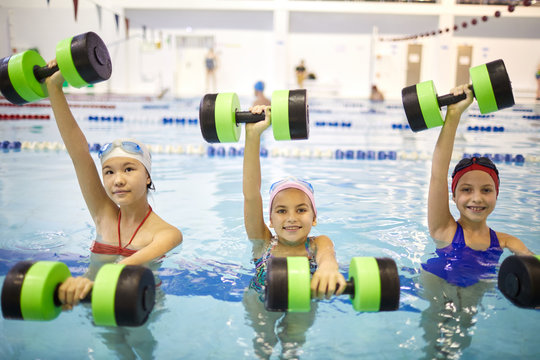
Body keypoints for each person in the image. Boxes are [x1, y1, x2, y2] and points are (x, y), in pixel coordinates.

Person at [44, 61, 183, 311]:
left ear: (148, 176)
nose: (117, 180)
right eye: (109, 172)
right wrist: (54, 87)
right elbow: (79, 154)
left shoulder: (167, 233)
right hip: (92, 302)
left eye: (129, 169)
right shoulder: (103, 215)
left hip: (140, 307)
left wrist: (85, 282)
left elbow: (126, 266)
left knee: (139, 348)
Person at [419, 84, 534, 359]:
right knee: (439, 349)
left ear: (497, 193)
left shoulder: (506, 241)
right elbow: (437, 173)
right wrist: (454, 115)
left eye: (486, 190)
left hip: (472, 301)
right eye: (466, 190)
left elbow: (531, 268)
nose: (477, 199)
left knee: (461, 345)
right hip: (439, 297)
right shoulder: (444, 228)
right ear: (454, 195)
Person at [242, 105, 346, 359]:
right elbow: (251, 195)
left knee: (293, 345)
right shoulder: (263, 242)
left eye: (301, 210)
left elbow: (328, 258)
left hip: (304, 300)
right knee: (263, 343)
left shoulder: (318, 243)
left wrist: (329, 269)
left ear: (315, 217)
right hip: (261, 299)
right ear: (270, 218)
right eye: (281, 211)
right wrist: (253, 136)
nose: (290, 218)